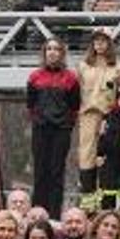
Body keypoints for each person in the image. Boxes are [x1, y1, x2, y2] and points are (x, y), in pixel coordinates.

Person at [27, 40, 81, 213]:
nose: (52, 52)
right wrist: (38, 120)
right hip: (41, 128)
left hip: (61, 130)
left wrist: (66, 123)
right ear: (44, 53)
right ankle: (37, 212)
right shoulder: (35, 77)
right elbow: (30, 104)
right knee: (40, 172)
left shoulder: (71, 78)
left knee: (56, 172)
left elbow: (75, 105)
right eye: (49, 49)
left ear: (62, 53)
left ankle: (54, 215)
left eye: (56, 49)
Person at [74, 31, 120, 206]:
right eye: (96, 41)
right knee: (86, 154)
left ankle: (106, 202)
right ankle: (87, 200)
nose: (100, 45)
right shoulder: (83, 66)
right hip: (87, 114)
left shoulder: (119, 68)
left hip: (109, 116)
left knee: (107, 155)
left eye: (104, 41)